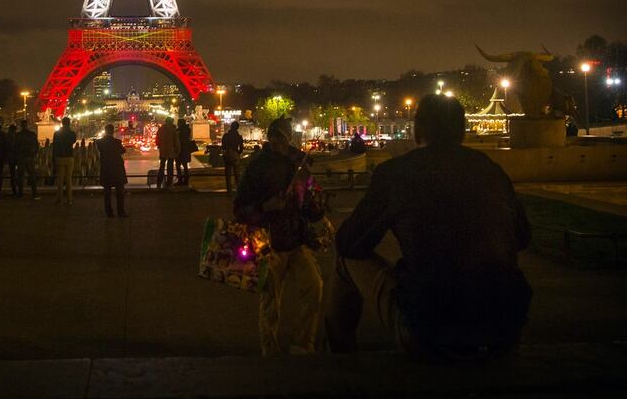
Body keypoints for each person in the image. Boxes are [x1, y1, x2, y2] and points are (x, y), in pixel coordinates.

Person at [325, 95, 532, 361]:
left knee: (345, 261)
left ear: (417, 129)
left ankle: (339, 360)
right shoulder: (490, 170)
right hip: (504, 328)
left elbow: (349, 242)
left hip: (431, 329)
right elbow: (522, 237)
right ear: (461, 130)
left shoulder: (397, 173)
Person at [234, 118, 323, 356]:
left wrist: (311, 201)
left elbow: (311, 206)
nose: (276, 145)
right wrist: (266, 206)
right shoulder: (256, 167)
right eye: (273, 140)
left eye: (280, 140)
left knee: (313, 288)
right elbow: (240, 209)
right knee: (270, 303)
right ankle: (271, 351)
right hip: (268, 242)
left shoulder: (301, 166)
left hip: (295, 239)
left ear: (288, 140)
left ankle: (302, 346)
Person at [96, 124, 128, 218]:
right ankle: (121, 211)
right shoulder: (117, 142)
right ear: (113, 131)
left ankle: (109, 212)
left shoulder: (99, 143)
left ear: (105, 131)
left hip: (106, 168)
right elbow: (122, 151)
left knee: (107, 192)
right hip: (117, 168)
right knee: (120, 192)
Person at [52, 117, 77, 205]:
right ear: (69, 123)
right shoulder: (72, 133)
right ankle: (69, 199)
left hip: (59, 157)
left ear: (62, 123)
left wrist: (53, 158)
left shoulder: (57, 134)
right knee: (68, 179)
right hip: (69, 157)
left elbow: (54, 146)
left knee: (60, 179)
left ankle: (60, 199)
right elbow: (73, 141)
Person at [14, 119, 40, 199]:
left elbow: (15, 147)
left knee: (20, 176)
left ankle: (20, 193)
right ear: (27, 125)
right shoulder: (32, 135)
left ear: (21, 126)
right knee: (32, 176)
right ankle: (34, 193)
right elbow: (36, 146)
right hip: (30, 157)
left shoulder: (18, 135)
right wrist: (34, 154)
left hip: (21, 157)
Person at [155, 116, 179, 189]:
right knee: (170, 167)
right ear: (171, 122)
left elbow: (157, 139)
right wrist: (177, 149)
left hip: (163, 150)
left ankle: (159, 181)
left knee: (162, 166)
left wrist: (159, 145)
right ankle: (169, 181)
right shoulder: (173, 129)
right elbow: (176, 141)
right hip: (171, 150)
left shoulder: (161, 129)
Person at [222, 121, 245, 192]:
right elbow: (241, 148)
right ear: (237, 128)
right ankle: (238, 190)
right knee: (237, 174)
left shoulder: (226, 136)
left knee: (228, 174)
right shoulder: (239, 137)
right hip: (235, 155)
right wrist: (237, 153)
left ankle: (229, 190)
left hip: (228, 155)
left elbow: (223, 147)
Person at [175, 118, 195, 186]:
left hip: (181, 150)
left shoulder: (180, 130)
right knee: (185, 166)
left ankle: (180, 180)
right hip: (186, 150)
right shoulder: (187, 129)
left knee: (178, 165)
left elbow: (179, 140)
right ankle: (186, 180)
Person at [5, 124, 19, 196]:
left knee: (12, 174)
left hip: (10, 157)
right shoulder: (17, 136)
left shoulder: (6, 136)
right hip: (17, 157)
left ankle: (14, 190)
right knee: (18, 174)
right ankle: (17, 190)